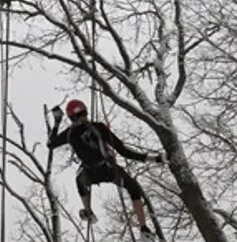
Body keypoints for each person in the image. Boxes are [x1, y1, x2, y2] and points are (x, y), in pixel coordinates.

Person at [47, 99, 165, 242]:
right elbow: (123, 150)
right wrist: (151, 158)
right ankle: (142, 228)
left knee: (84, 181)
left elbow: (51, 143)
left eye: (82, 115)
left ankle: (142, 229)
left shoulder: (77, 131)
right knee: (131, 188)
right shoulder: (93, 129)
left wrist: (57, 122)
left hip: (100, 169)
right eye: (80, 116)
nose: (82, 119)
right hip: (102, 169)